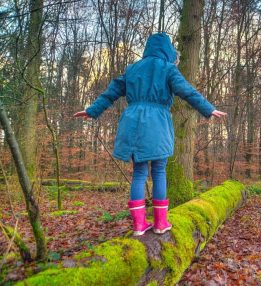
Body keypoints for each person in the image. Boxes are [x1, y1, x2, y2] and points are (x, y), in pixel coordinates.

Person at [74, 33, 226, 236]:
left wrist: (92, 110)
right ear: (167, 50)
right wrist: (208, 108)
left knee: (139, 172)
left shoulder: (132, 68)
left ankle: (138, 226)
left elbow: (110, 92)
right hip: (157, 123)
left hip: (132, 121)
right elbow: (186, 91)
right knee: (159, 170)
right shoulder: (168, 68)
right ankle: (161, 223)